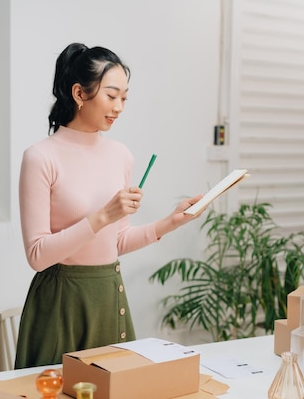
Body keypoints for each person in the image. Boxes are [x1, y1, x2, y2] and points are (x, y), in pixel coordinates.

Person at [14, 42, 202, 369]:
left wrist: (171, 221)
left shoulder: (120, 155)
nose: (119, 107)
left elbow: (116, 242)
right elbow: (37, 255)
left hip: (108, 294)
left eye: (125, 98)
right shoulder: (40, 158)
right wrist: (102, 216)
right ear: (79, 93)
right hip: (61, 302)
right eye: (111, 96)